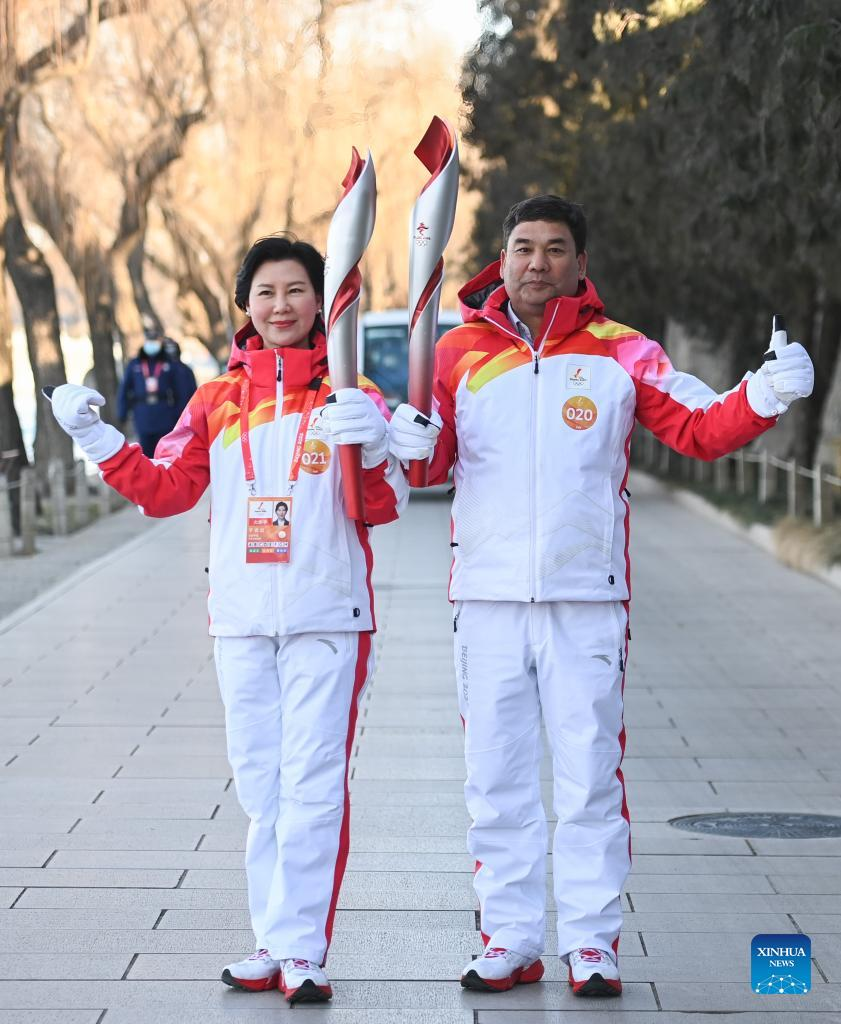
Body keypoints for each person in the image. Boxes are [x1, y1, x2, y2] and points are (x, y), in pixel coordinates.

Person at [387, 195, 814, 998]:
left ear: (579, 263)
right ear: (501, 259)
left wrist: (763, 396)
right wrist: (401, 439)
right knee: (495, 779)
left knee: (588, 778)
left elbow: (696, 426)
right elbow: (427, 465)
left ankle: (590, 944)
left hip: (586, 599)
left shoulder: (623, 351)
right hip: (486, 601)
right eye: (523, 247)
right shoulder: (455, 352)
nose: (537, 262)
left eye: (554, 248)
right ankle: (509, 938)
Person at [48, 235, 408, 1005]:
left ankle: (302, 951)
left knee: (313, 786)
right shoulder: (214, 399)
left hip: (327, 617)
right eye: (266, 292)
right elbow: (166, 490)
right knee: (261, 789)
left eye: (296, 290)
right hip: (240, 620)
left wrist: (378, 448)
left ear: (321, 302)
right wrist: (96, 438)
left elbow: (380, 508)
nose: (281, 306)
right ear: (246, 305)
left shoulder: (352, 394)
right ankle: (270, 940)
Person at [117, 328, 197, 456]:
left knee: (165, 452)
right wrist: (122, 412)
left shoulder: (168, 364)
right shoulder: (135, 364)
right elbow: (124, 389)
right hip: (142, 415)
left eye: (154, 341)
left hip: (165, 415)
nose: (152, 344)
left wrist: (178, 414)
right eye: (149, 340)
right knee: (146, 454)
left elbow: (180, 391)